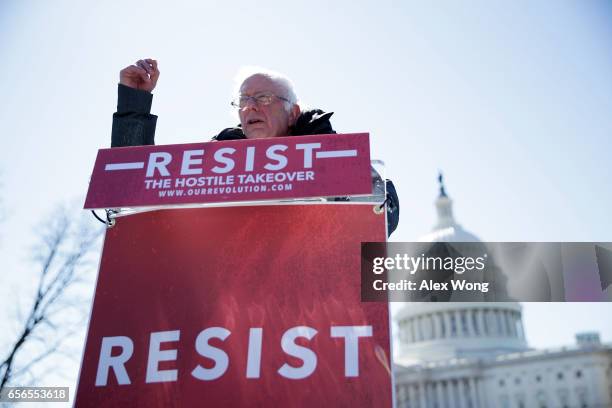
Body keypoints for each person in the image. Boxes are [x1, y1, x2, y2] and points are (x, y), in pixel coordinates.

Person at [111, 58, 399, 235]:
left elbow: (380, 217)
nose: (249, 108)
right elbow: (136, 193)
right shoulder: (210, 167)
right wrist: (134, 104)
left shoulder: (336, 163)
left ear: (294, 113)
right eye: (243, 101)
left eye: (262, 98)